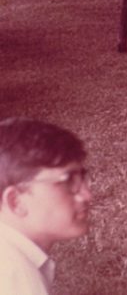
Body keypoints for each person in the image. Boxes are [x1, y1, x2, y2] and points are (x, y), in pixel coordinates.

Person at [0, 117, 92, 295]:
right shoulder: (14, 280)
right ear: (16, 201)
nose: (87, 195)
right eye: (67, 181)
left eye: (82, 177)